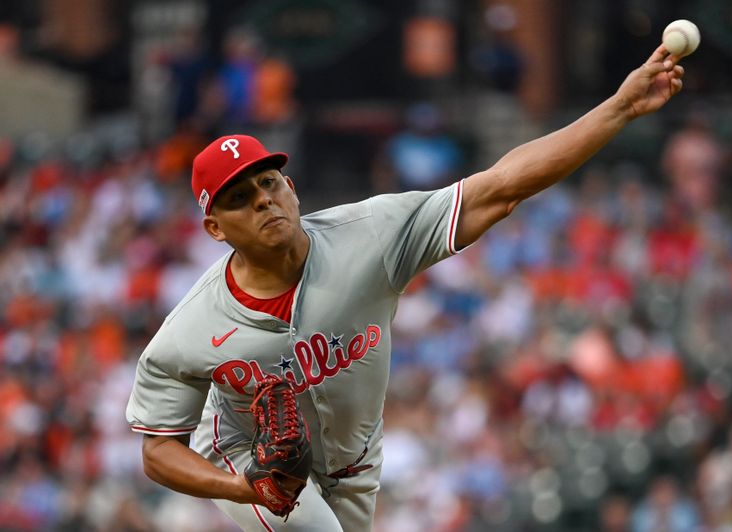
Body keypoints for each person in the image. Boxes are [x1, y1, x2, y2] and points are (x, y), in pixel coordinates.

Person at [126, 45, 686, 531]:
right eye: (238, 198)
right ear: (215, 228)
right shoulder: (193, 328)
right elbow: (157, 450)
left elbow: (502, 187)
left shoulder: (371, 235)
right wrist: (243, 488)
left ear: (292, 188)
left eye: (268, 183)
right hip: (248, 458)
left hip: (356, 461)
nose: (262, 200)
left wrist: (620, 108)